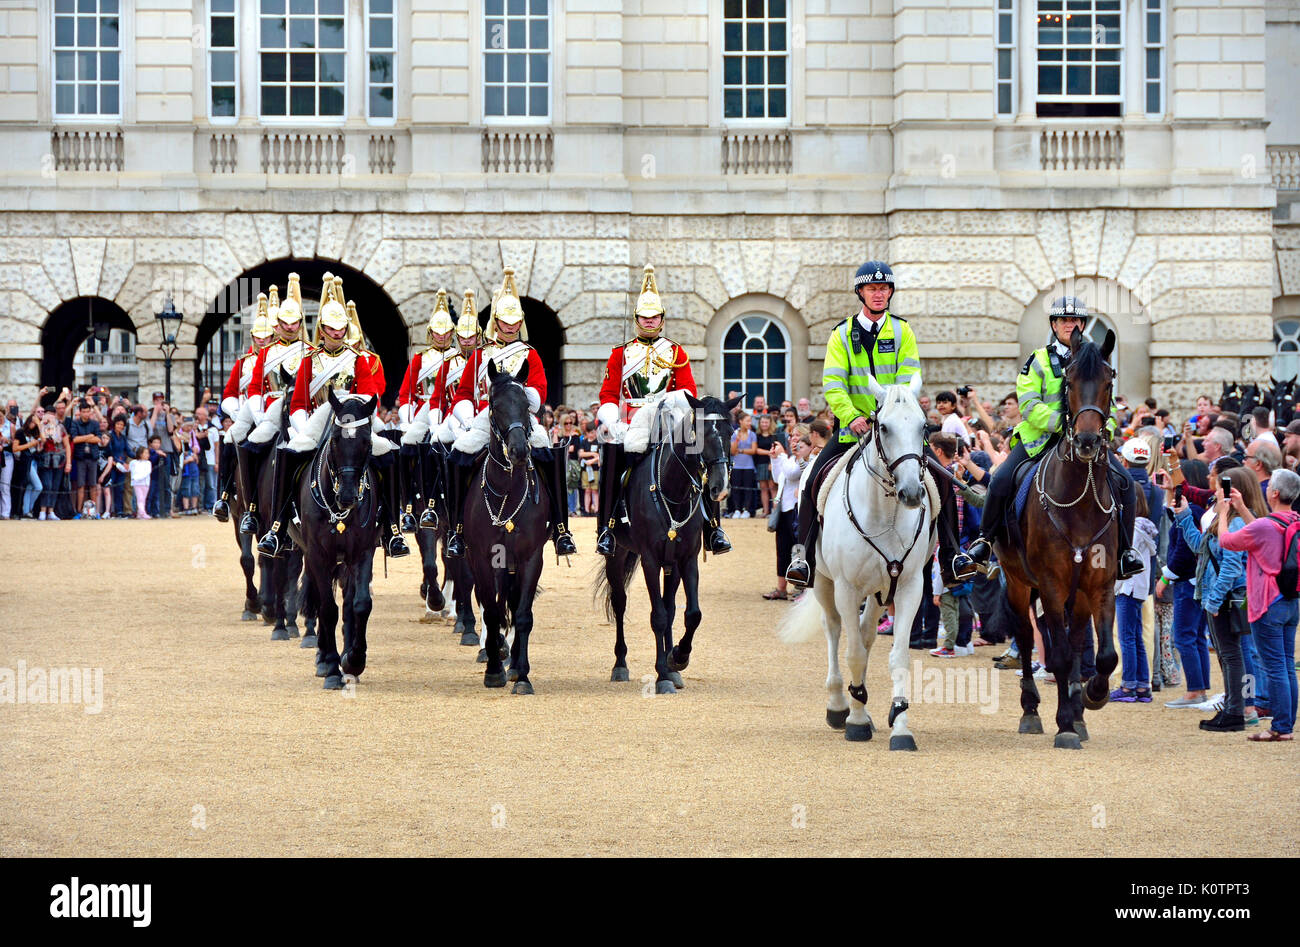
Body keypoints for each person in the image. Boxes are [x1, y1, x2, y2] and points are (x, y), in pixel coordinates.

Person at [955, 296, 1144, 581]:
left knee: (1126, 484)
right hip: (1039, 442)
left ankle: (1124, 554)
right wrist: (1063, 424)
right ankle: (984, 544)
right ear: (1054, 325)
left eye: (1075, 320)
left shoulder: (1095, 360)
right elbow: (1029, 404)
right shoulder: (1038, 360)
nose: (1070, 324)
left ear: (1082, 324)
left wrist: (1105, 429)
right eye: (1063, 320)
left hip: (1086, 442)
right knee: (1001, 481)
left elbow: (1109, 405)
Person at [786, 261, 945, 590]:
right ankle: (802, 558)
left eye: (884, 288)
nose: (878, 294)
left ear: (890, 293)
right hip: (852, 431)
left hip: (897, 432)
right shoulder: (841, 334)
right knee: (812, 480)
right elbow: (833, 384)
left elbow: (907, 379)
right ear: (860, 292)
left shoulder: (902, 331)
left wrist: (891, 415)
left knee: (938, 481)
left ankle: (953, 556)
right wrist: (851, 415)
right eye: (872, 289)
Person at [258, 274, 405, 558]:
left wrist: (357, 419)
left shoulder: (359, 359)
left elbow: (368, 394)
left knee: (388, 454)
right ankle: (277, 527)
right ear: (321, 330)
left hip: (352, 422)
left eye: (341, 330)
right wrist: (303, 429)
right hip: (316, 420)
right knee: (288, 453)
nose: (336, 334)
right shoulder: (309, 361)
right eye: (331, 330)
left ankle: (392, 529)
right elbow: (299, 400)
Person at [593, 264, 726, 557]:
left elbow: (688, 390)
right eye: (644, 317)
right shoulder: (621, 353)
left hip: (669, 420)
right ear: (636, 318)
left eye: (654, 317)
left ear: (662, 319)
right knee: (613, 462)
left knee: (700, 456)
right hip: (631, 421)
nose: (650, 322)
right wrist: (612, 422)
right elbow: (607, 393)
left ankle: (713, 528)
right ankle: (608, 527)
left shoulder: (676, 352)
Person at [444, 268, 576, 559]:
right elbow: (464, 393)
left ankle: (561, 529)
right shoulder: (479, 354)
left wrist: (525, 396)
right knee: (457, 454)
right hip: (485, 417)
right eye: (506, 320)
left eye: (516, 321)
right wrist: (467, 419)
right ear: (496, 321)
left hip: (522, 417)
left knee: (547, 451)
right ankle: (456, 529)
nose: (511, 325)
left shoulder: (531, 354)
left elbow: (539, 392)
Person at [1217, 467, 1300, 741]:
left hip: (1267, 602)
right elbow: (1260, 534)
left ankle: (1282, 727)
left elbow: (1227, 541)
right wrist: (1240, 507)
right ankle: (1286, 723)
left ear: (1274, 493)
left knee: (1274, 666)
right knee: (1286, 664)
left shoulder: (1266, 526)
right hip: (1290, 600)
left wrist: (1222, 513)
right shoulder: (1292, 521)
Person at [1174, 466, 1258, 729]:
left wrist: (1214, 600)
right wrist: (1185, 515)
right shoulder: (1224, 518)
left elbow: (1232, 566)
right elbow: (1201, 547)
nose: (1215, 491)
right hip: (1218, 594)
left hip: (1227, 596)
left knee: (1232, 654)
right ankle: (1233, 708)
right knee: (1225, 653)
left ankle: (1236, 711)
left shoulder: (1235, 520)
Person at [237, 281, 307, 535]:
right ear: (277, 324)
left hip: (304, 412)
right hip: (271, 408)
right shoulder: (265, 354)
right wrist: (259, 413)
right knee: (250, 444)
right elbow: (255, 386)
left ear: (300, 323)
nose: (290, 328)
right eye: (285, 323)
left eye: (294, 323)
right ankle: (252, 508)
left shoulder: (311, 351)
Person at [395, 288, 457, 531]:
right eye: (437, 333)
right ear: (430, 333)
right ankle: (409, 505)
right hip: (423, 409)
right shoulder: (420, 359)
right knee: (407, 446)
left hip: (453, 410)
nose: (441, 337)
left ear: (453, 333)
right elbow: (406, 394)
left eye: (446, 333)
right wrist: (407, 420)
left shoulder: (459, 357)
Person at [1155, 459, 1213, 708]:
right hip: (1195, 579)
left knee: (1184, 636)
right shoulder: (1200, 509)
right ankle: (1199, 687)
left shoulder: (1192, 511)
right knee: (1197, 636)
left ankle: (1195, 689)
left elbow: (1182, 550)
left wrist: (1166, 576)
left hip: (1188, 581)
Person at [213, 300, 275, 522]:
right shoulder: (243, 363)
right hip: (249, 415)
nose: (262, 340)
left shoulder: (282, 358)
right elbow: (229, 393)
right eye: (258, 336)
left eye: (266, 336)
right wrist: (238, 411)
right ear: (252, 336)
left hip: (274, 413)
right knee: (230, 437)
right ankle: (226, 493)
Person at [763, 430, 810, 601]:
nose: (792, 439)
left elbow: (792, 473)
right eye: (791, 436)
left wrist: (781, 456)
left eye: (797, 436)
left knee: (798, 549)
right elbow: (778, 477)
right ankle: (781, 588)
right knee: (782, 550)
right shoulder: (790, 459)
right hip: (784, 509)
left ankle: (802, 587)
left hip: (797, 509)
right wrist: (775, 458)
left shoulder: (803, 459)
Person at [67, 399, 103, 517]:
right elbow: (75, 439)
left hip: (93, 457)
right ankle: (79, 511)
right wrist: (89, 436)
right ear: (80, 412)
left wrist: (84, 438)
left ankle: (94, 512)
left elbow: (98, 439)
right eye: (84, 411)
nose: (86, 414)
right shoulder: (75, 423)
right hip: (80, 457)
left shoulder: (95, 424)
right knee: (80, 485)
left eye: (88, 411)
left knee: (93, 484)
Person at [754, 413, 778, 517]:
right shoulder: (757, 436)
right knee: (763, 488)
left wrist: (771, 460)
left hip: (773, 464)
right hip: (760, 463)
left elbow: (777, 449)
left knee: (773, 487)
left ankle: (775, 510)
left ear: (770, 423)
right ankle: (765, 511)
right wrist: (768, 452)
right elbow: (756, 450)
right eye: (762, 422)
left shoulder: (774, 435)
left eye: (766, 422)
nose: (764, 424)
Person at [129, 446, 152, 518]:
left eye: (148, 453)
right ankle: (142, 512)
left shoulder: (148, 463)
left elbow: (147, 472)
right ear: (140, 454)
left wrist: (137, 478)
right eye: (146, 453)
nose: (147, 455)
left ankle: (140, 513)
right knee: (140, 498)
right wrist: (118, 465)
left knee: (143, 498)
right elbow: (129, 469)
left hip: (145, 483)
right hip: (137, 484)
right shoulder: (134, 462)